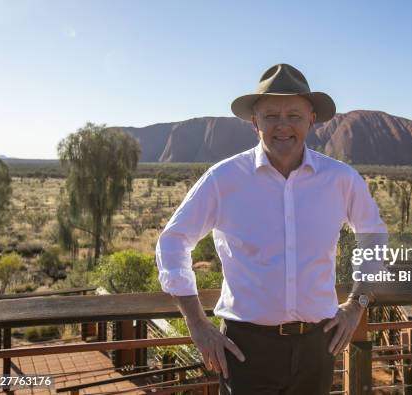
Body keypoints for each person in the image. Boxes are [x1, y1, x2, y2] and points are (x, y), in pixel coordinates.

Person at [155, 63, 387, 394]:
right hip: (245, 350)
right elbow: (172, 242)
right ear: (255, 122)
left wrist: (357, 303)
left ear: (311, 119)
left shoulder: (340, 179)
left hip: (318, 346)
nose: (283, 126)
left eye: (294, 115)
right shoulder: (224, 180)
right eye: (271, 116)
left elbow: (374, 234)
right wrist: (196, 323)